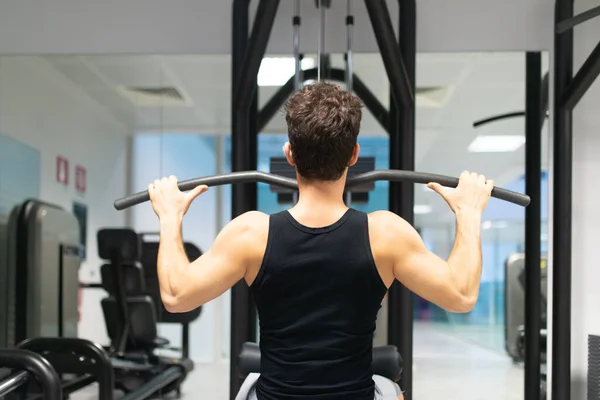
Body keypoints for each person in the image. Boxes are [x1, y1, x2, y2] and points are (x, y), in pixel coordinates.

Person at [147, 82, 494, 400]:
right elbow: (461, 296)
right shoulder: (386, 233)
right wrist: (469, 213)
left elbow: (176, 297)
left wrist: (170, 218)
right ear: (354, 154)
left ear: (290, 154)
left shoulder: (250, 233)